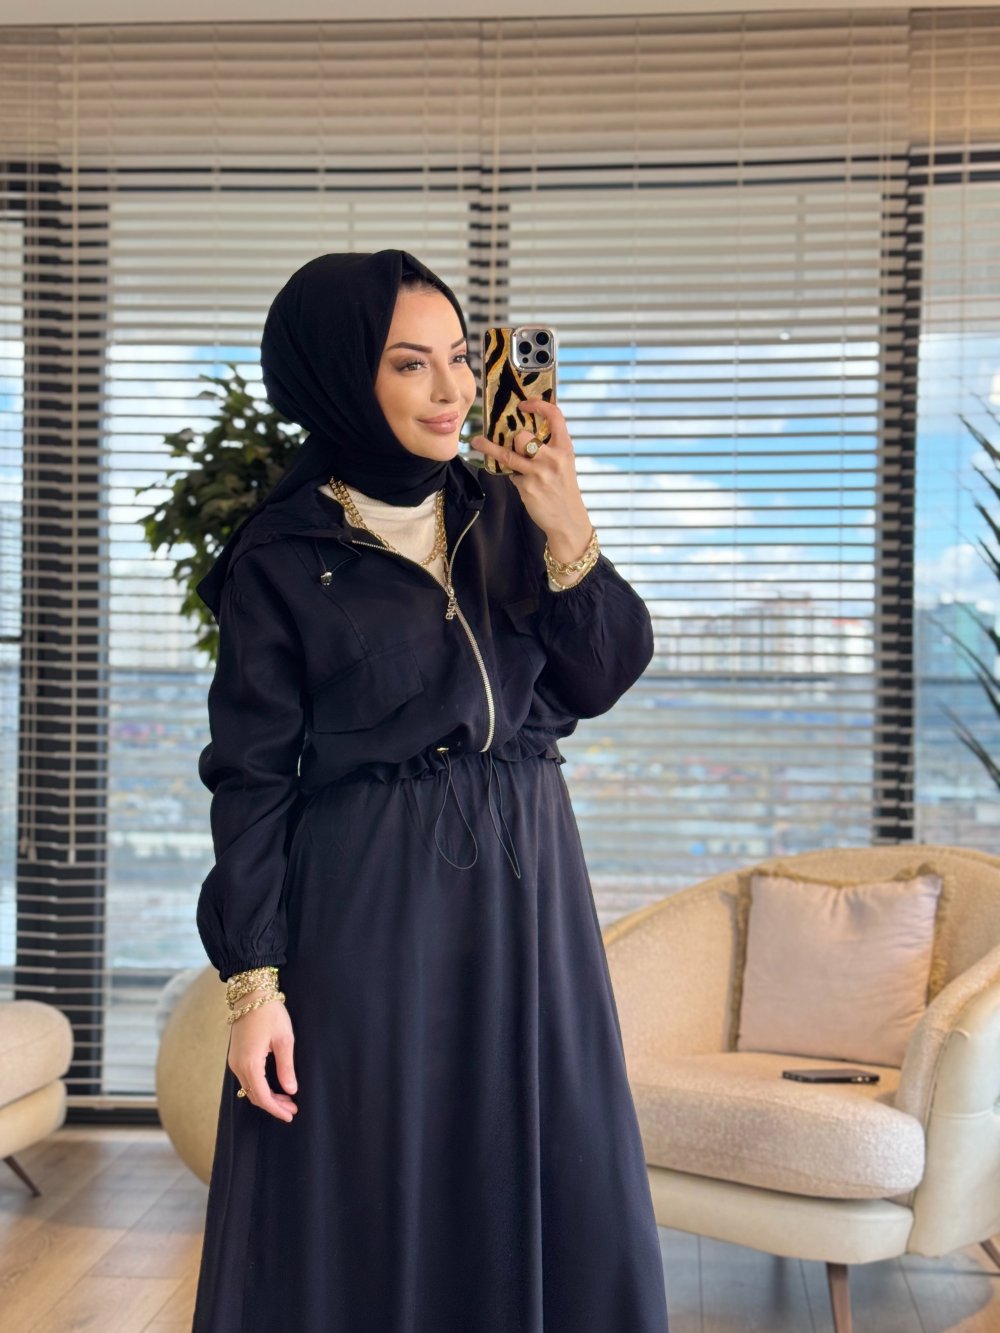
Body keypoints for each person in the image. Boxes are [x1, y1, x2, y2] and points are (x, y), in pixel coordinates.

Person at [190, 248, 670, 1333]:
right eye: (411, 364)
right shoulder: (280, 554)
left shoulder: (506, 509)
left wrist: (566, 522)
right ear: (337, 376)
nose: (452, 389)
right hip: (370, 900)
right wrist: (254, 988)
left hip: (530, 888)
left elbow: (602, 676)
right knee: (372, 1182)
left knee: (557, 1166)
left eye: (460, 356)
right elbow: (251, 777)